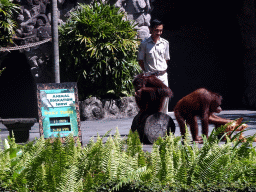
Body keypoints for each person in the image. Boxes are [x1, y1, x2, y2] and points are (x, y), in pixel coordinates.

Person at [137, 19, 170, 114]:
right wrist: (148, 72)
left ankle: (164, 121)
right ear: (150, 29)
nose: (159, 33)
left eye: (161, 30)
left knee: (165, 98)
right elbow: (140, 61)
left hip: (163, 75)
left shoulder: (165, 43)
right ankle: (151, 122)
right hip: (151, 77)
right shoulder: (144, 44)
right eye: (157, 30)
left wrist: (160, 70)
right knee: (153, 99)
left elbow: (166, 59)